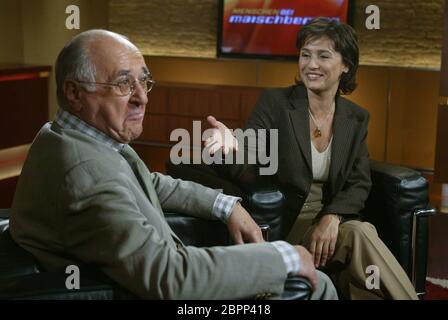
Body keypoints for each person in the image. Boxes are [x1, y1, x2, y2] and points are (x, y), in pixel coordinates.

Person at [9, 29, 338, 300]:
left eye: (144, 82)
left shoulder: (68, 136)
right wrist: (282, 257)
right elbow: (170, 277)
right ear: (74, 93)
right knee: (316, 285)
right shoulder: (85, 173)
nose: (142, 97)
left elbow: (147, 182)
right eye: (124, 84)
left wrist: (224, 205)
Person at [205, 18, 418, 300]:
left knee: (359, 230)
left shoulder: (355, 118)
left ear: (346, 65)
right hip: (286, 225)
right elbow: (250, 153)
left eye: (323, 55)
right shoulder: (276, 104)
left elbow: (359, 182)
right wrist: (229, 146)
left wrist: (331, 217)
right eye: (305, 55)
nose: (311, 64)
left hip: (329, 232)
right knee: (360, 238)